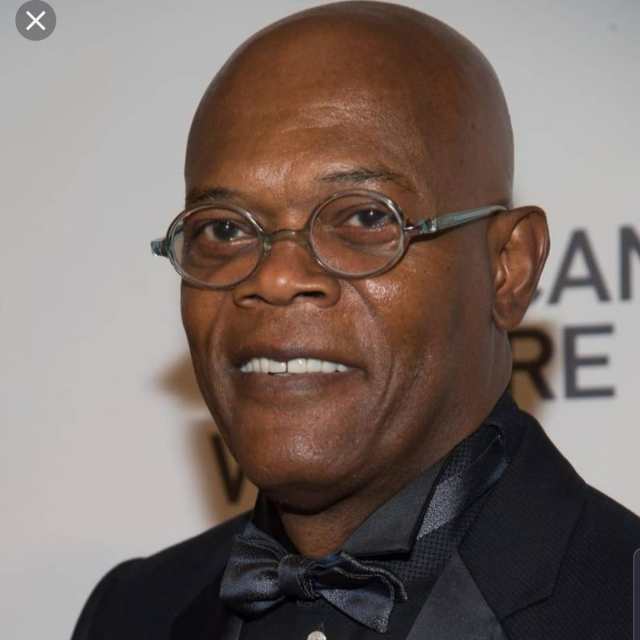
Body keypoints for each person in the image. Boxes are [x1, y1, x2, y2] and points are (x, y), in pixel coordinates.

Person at [71, 2, 640, 639]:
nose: (275, 278)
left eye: (366, 218)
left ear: (509, 267)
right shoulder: (130, 613)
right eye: (224, 229)